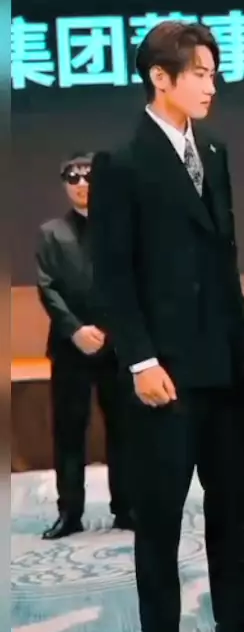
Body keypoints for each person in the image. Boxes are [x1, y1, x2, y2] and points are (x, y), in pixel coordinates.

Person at [88, 22, 244, 632]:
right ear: (159, 77)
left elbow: (223, 258)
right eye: (200, 74)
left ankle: (234, 623)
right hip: (162, 375)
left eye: (214, 74)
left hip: (225, 365)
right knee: (160, 521)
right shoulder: (120, 161)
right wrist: (140, 360)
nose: (211, 86)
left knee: (232, 511)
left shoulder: (214, 151)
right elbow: (113, 274)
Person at [36, 152, 132, 540]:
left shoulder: (122, 228)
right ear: (65, 184)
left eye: (88, 176)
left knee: (123, 430)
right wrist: (75, 330)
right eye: (72, 177)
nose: (81, 184)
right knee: (69, 432)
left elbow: (132, 283)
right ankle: (69, 512)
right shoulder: (51, 232)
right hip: (69, 348)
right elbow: (47, 287)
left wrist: (110, 330)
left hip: (116, 346)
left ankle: (126, 507)